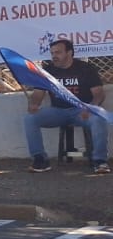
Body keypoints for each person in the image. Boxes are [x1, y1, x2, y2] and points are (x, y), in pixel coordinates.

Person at [23, 38, 109, 174]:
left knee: (99, 117)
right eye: (52, 53)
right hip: (57, 111)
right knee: (30, 118)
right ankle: (40, 160)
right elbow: (38, 93)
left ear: (69, 53)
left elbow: (99, 94)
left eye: (58, 52)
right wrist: (34, 104)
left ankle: (100, 161)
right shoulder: (48, 70)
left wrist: (91, 107)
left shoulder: (86, 69)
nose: (54, 56)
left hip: (81, 111)